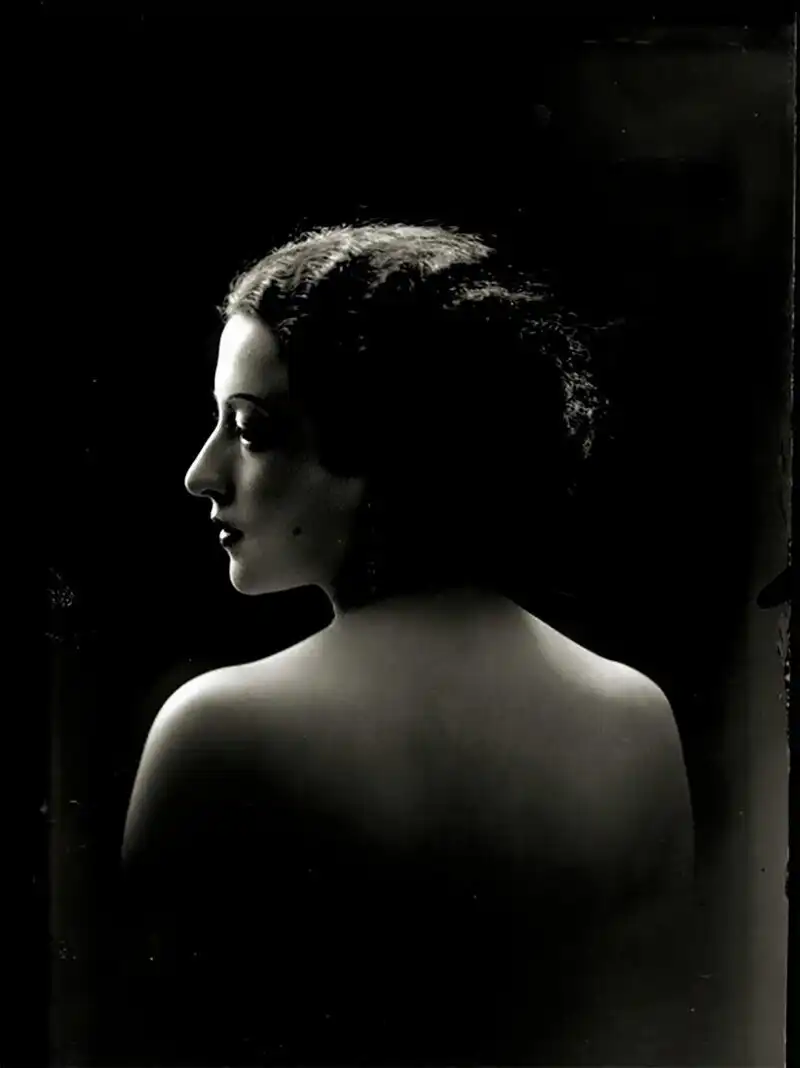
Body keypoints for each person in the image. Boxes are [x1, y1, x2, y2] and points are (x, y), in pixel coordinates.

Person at [120, 223, 694, 1066]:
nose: (200, 473)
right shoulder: (635, 717)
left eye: (250, 429)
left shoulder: (217, 730)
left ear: (381, 441)